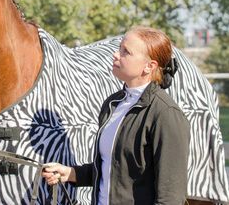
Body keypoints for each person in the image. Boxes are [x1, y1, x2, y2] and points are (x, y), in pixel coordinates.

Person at [42, 26, 190, 204]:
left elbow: (171, 196)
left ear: (149, 66)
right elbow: (114, 169)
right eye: (120, 48)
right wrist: (72, 174)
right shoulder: (113, 104)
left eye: (126, 51)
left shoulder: (166, 114)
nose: (115, 54)